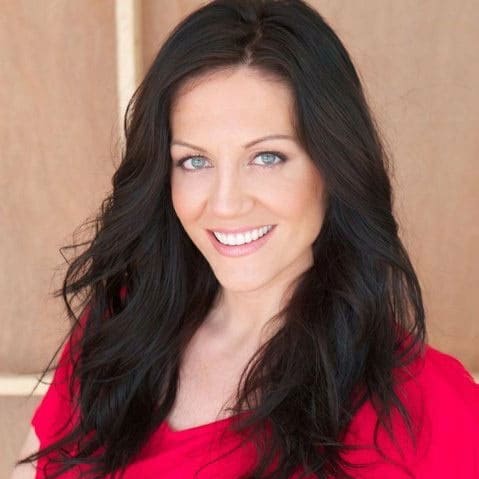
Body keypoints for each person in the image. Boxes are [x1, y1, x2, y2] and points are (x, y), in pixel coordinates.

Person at [12, 0, 479, 478]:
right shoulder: (119, 335)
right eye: (195, 161)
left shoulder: (432, 405)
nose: (226, 203)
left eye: (268, 157)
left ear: (333, 166)